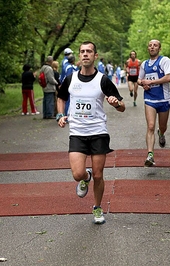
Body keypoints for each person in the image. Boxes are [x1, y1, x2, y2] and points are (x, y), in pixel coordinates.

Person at [56, 41, 125, 224]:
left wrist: (115, 103)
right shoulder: (70, 79)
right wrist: (60, 115)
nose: (85, 54)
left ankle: (97, 207)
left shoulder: (102, 80)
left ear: (95, 56)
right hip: (77, 132)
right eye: (82, 51)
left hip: (98, 132)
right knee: (78, 174)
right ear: (79, 56)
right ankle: (84, 177)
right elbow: (61, 97)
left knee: (99, 174)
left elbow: (122, 106)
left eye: (89, 51)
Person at [137, 39, 170, 167]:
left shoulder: (164, 61)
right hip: (150, 99)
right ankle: (150, 155)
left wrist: (150, 82)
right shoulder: (144, 64)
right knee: (151, 126)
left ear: (159, 48)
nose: (152, 47)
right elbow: (139, 79)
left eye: (155, 45)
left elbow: (168, 78)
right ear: (148, 48)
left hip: (163, 99)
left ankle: (162, 133)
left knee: (162, 126)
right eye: (150, 45)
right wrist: (142, 83)